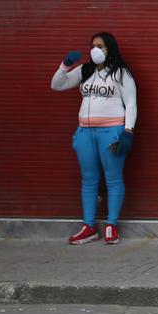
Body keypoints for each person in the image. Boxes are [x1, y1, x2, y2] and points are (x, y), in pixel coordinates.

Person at [51, 33, 137, 245]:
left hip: (111, 131)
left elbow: (132, 103)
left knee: (113, 178)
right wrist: (65, 65)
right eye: (92, 46)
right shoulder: (85, 70)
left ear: (110, 49)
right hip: (85, 132)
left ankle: (111, 225)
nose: (95, 49)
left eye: (100, 46)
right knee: (89, 180)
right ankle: (89, 226)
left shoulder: (120, 73)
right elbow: (56, 85)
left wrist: (128, 131)